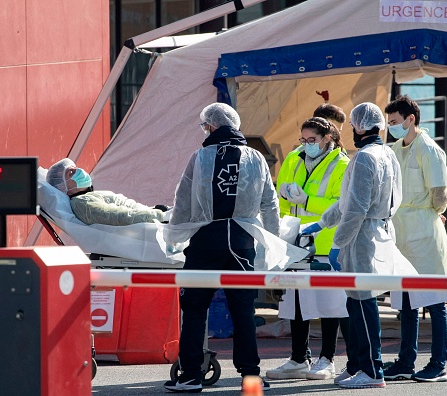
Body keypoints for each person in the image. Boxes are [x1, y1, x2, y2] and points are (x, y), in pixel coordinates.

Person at [163, 103, 281, 393]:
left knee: (194, 308)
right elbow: (270, 203)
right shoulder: (255, 158)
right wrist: (275, 241)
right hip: (241, 240)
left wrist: (173, 236)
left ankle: (191, 375)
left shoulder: (201, 156)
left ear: (212, 126)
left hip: (207, 239)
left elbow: (183, 201)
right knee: (242, 310)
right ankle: (251, 375)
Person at [302, 102, 403, 389]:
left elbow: (355, 208)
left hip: (360, 238)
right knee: (356, 302)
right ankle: (358, 363)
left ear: (358, 126)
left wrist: (337, 242)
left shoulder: (364, 158)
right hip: (376, 231)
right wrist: (323, 222)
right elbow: (348, 202)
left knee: (363, 305)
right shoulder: (386, 153)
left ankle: (372, 371)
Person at [266, 114, 352, 381]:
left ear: (328, 139)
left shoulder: (342, 165)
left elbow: (341, 205)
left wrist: (307, 201)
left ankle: (327, 359)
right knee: (296, 303)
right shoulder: (294, 158)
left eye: (311, 140)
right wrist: (279, 226)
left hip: (326, 241)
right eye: (303, 140)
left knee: (330, 304)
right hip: (295, 241)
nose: (306, 145)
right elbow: (279, 195)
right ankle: (298, 358)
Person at [383, 95, 447, 382]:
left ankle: (439, 363)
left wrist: (433, 213)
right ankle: (406, 360)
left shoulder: (430, 149)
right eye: (389, 123)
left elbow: (440, 195)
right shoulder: (394, 148)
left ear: (411, 119)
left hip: (424, 229)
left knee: (435, 301)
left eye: (395, 122)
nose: (391, 128)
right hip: (401, 231)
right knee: (406, 302)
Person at [46, 158, 169, 225]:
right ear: (64, 187)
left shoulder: (88, 197)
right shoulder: (82, 204)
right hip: (156, 222)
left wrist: (153, 210)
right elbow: (118, 216)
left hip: (153, 216)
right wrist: (161, 216)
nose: (79, 170)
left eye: (75, 167)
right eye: (71, 172)